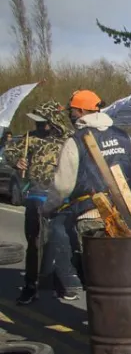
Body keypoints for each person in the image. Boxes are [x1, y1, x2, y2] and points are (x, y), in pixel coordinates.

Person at [44, 90, 131, 301]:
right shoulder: (124, 137)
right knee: (122, 268)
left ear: (80, 111)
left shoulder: (76, 140)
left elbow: (63, 186)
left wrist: (50, 206)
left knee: (59, 229)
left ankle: (71, 281)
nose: (70, 115)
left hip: (89, 212)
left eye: (72, 111)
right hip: (126, 212)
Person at [14, 101, 74, 305]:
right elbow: (11, 152)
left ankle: (60, 283)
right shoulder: (30, 138)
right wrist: (17, 162)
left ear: (54, 121)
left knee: (60, 242)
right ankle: (31, 285)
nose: (39, 126)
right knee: (34, 242)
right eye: (37, 122)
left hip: (61, 198)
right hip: (35, 195)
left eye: (43, 122)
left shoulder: (68, 140)